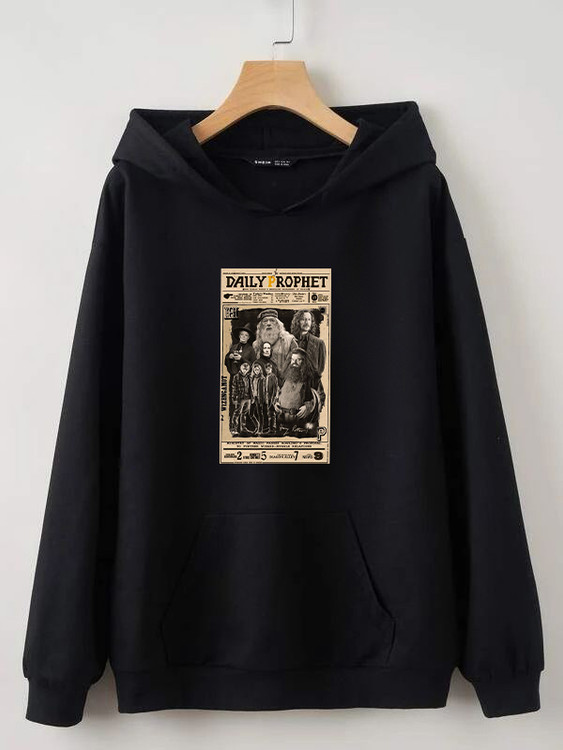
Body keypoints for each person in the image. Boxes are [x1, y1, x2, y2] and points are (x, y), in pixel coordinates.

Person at [274, 348, 321, 437]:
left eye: (298, 360)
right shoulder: (284, 376)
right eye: (292, 359)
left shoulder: (312, 379)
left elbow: (320, 396)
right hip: (282, 423)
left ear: (304, 362)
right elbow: (278, 392)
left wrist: (308, 406)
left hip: (301, 425)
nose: (294, 362)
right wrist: (276, 402)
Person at [230, 360, 252, 436]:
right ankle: (234, 429)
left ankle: (243, 428)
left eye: (247, 368)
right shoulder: (236, 377)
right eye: (244, 367)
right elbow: (234, 388)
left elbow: (251, 387)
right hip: (240, 398)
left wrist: (252, 397)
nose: (245, 369)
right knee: (237, 413)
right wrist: (234, 398)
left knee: (244, 413)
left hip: (248, 398)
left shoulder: (249, 377)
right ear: (240, 367)